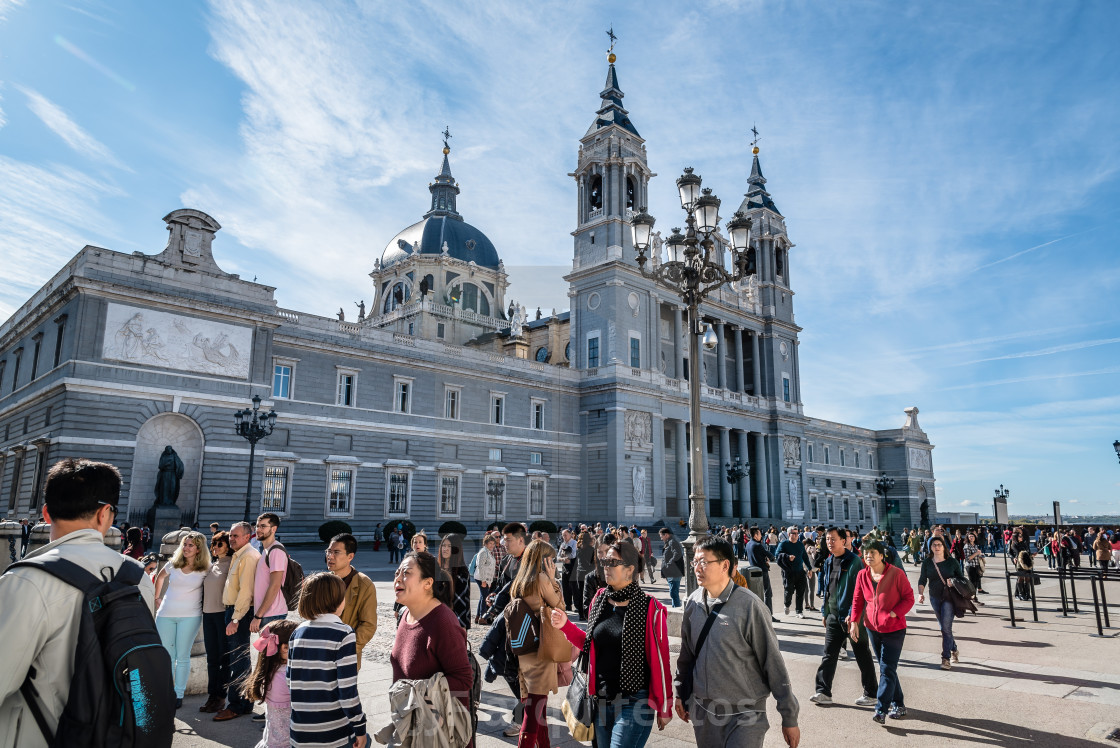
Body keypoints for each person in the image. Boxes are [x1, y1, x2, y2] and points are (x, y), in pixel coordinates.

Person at [0, 459, 158, 742]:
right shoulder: (136, 577)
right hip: (116, 734)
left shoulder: (26, 580)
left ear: (47, 513)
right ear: (105, 514)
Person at [674, 536, 799, 748]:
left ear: (725, 565)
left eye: (704, 562)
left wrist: (789, 717)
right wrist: (680, 692)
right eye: (695, 562)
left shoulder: (750, 606)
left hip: (745, 714)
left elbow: (773, 663)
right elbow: (687, 654)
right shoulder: (693, 602)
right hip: (704, 712)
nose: (697, 567)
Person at [552, 539, 673, 747]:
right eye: (605, 561)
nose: (606, 567)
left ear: (629, 570)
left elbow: (661, 662)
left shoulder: (650, 608)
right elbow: (590, 645)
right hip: (600, 698)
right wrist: (565, 625)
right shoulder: (599, 599)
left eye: (613, 563)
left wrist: (665, 705)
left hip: (635, 701)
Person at [391, 551, 473, 746]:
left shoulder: (443, 622)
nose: (398, 579)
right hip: (409, 722)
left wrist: (418, 692)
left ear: (428, 583)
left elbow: (463, 679)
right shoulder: (405, 614)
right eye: (396, 573)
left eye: (406, 573)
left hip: (438, 732)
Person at [288, 572, 367, 748]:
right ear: (338, 600)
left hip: (299, 728)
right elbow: (347, 691)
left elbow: (290, 680)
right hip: (332, 732)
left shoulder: (297, 632)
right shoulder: (344, 633)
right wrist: (360, 726)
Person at [810, 528, 878, 708]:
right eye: (827, 539)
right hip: (833, 616)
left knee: (862, 654)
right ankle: (823, 692)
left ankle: (872, 694)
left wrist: (852, 616)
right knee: (828, 655)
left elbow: (860, 590)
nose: (829, 542)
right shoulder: (828, 561)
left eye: (833, 539)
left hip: (852, 618)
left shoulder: (854, 561)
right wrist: (825, 612)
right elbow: (827, 588)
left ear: (843, 541)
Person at [849, 539, 914, 724]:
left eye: (872, 553)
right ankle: (899, 704)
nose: (868, 556)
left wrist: (895, 613)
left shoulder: (896, 573)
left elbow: (909, 598)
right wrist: (854, 622)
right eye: (866, 553)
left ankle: (881, 709)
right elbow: (857, 600)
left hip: (894, 628)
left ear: (881, 555)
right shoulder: (862, 575)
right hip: (872, 628)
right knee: (888, 668)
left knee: (886, 668)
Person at [509, 539, 564, 747]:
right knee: (533, 714)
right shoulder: (541, 579)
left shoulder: (520, 579)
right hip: (541, 649)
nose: (553, 563)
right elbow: (560, 608)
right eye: (550, 559)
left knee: (537, 709)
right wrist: (553, 581)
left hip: (524, 649)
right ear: (543, 560)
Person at [481, 522, 528, 736]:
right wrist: (494, 597)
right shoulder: (509, 559)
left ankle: (524, 719)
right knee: (509, 670)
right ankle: (527, 714)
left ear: (521, 540)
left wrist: (500, 603)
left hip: (525, 625)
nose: (503, 543)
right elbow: (503, 586)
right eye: (503, 539)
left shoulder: (531, 561)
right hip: (507, 621)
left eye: (508, 540)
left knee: (516, 672)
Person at [154, 531, 210, 708]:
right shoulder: (173, 564)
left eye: (190, 545)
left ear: (199, 549)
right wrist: (157, 597)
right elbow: (160, 576)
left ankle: (178, 694)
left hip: (190, 616)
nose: (186, 548)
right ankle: (166, 691)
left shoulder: (206, 568)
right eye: (184, 544)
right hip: (165, 615)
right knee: (167, 656)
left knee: (183, 656)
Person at [215, 521, 261, 721]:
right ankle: (244, 702)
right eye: (231, 535)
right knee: (238, 659)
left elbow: (246, 591)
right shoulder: (239, 554)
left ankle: (237, 705)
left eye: (236, 536)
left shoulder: (249, 556)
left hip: (238, 613)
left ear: (247, 537)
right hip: (233, 611)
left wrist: (235, 619)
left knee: (239, 661)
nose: (231, 539)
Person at [325, 533, 378, 670]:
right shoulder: (322, 580)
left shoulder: (364, 584)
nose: (330, 556)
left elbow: (368, 625)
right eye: (329, 551)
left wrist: (347, 649)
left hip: (345, 658)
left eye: (336, 552)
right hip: (320, 652)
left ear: (350, 556)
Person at [242, 619, 297, 748]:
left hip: (272, 740)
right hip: (286, 743)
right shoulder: (286, 676)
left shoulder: (271, 670)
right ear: (285, 648)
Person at [917, 535, 962, 670]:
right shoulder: (927, 562)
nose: (936, 547)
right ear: (930, 547)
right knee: (944, 627)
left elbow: (961, 578)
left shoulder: (952, 562)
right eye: (934, 545)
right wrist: (920, 593)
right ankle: (953, 648)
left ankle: (945, 658)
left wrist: (953, 582)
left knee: (945, 628)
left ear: (944, 547)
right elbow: (922, 579)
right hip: (934, 597)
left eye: (939, 545)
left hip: (949, 597)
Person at [201, 531, 233, 713]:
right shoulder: (213, 565)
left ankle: (221, 696)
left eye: (219, 544)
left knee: (223, 659)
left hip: (222, 615)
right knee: (211, 659)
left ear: (228, 547)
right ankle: (212, 695)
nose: (214, 548)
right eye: (213, 544)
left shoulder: (231, 565)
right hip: (208, 615)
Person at [251, 513, 289, 634]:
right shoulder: (266, 550)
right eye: (257, 526)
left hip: (272, 613)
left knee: (270, 653)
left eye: (263, 526)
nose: (258, 529)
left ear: (274, 529)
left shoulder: (276, 550)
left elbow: (275, 585)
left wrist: (258, 616)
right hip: (267, 613)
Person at [438, 533, 472, 630]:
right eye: (443, 545)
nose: (445, 549)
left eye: (449, 546)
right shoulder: (436, 568)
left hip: (455, 621)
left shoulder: (462, 572)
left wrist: (461, 626)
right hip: (437, 618)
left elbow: (462, 601)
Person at [776, 525, 811, 618]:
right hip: (788, 572)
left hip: (800, 571)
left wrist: (810, 568)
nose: (795, 535)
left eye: (797, 533)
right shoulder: (783, 544)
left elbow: (805, 557)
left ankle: (799, 611)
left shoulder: (800, 544)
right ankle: (787, 605)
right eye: (793, 533)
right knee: (789, 591)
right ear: (788, 534)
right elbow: (777, 556)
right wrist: (787, 557)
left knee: (801, 591)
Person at [746, 526, 778, 618]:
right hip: (762, 571)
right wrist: (768, 558)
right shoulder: (758, 545)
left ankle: (759, 614)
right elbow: (771, 556)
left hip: (753, 570)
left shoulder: (748, 544)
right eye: (759, 534)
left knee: (757, 593)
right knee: (768, 593)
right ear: (755, 535)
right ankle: (768, 615)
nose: (761, 536)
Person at [471, 535, 497, 624]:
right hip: (481, 578)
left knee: (483, 597)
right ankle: (483, 617)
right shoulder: (483, 552)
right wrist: (483, 581)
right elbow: (480, 567)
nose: (492, 545)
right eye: (490, 543)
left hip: (485, 579)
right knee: (485, 597)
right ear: (485, 543)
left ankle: (478, 617)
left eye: (493, 544)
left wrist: (488, 581)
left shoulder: (488, 552)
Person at [573, 530, 597, 619]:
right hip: (589, 572)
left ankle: (581, 614)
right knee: (589, 593)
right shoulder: (592, 549)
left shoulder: (579, 548)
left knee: (580, 593)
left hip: (580, 572)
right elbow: (593, 562)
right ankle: (588, 612)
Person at [659, 527, 685, 608]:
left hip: (674, 572)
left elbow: (677, 554)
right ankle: (675, 608)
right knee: (673, 593)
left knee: (674, 593)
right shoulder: (669, 542)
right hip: (671, 572)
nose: (661, 538)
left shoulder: (672, 542)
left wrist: (668, 566)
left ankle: (677, 610)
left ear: (666, 535)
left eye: (661, 536)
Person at [557, 528, 578, 611]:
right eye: (563, 535)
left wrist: (564, 555)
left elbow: (573, 555)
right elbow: (558, 556)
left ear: (570, 535)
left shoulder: (574, 543)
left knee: (574, 586)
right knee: (565, 586)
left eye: (565, 535)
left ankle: (576, 605)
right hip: (565, 566)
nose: (564, 537)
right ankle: (568, 604)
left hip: (573, 566)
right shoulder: (562, 544)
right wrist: (563, 558)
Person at [962, 532, 986, 601]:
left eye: (972, 536)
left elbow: (977, 555)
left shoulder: (975, 545)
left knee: (976, 582)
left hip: (976, 565)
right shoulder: (967, 546)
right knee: (972, 583)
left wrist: (980, 556)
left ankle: (973, 596)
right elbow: (968, 558)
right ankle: (972, 597)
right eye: (970, 537)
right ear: (968, 538)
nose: (971, 538)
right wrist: (976, 553)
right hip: (970, 567)